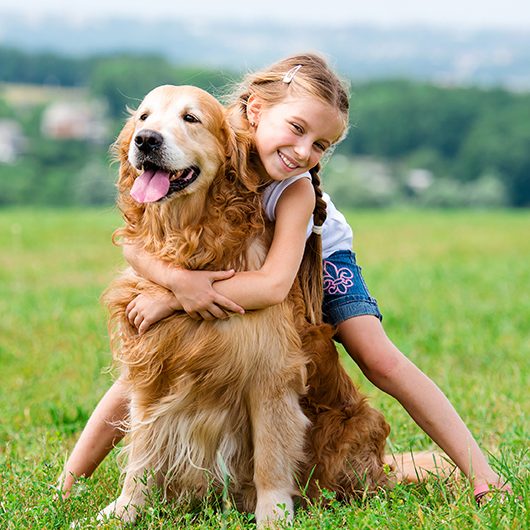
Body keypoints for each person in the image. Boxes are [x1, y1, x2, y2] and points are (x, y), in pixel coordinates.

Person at [60, 53, 510, 505]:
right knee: (153, 361)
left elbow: (273, 285)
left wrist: (176, 297)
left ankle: (481, 473)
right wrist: (176, 284)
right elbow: (133, 240)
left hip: (315, 257)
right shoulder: (204, 137)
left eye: (320, 145)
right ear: (255, 110)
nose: (303, 152)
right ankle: (69, 479)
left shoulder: (295, 188)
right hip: (226, 259)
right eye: (297, 129)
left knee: (377, 358)